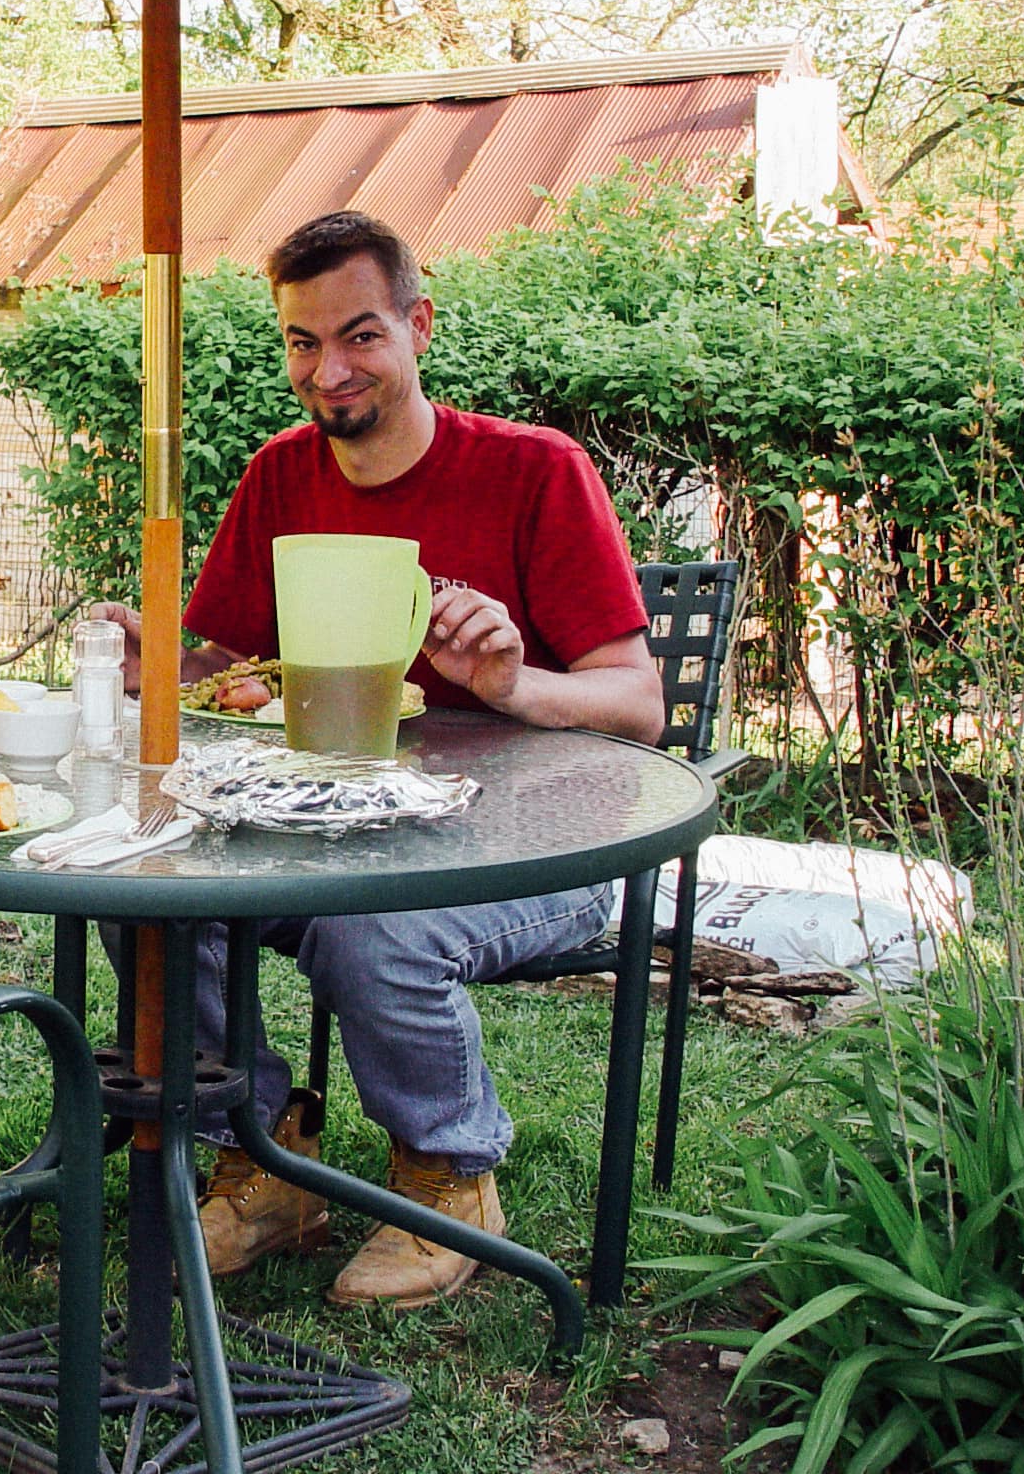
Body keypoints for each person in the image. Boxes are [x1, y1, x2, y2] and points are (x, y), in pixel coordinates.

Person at [99, 210, 664, 1309]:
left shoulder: (535, 471)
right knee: (149, 891)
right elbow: (229, 665)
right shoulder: (278, 476)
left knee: (374, 930)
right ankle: (257, 1161)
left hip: (537, 843)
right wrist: (157, 664)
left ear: (418, 326)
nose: (329, 369)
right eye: (302, 343)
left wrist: (514, 686)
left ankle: (450, 1180)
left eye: (359, 336)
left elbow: (637, 704)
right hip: (331, 819)